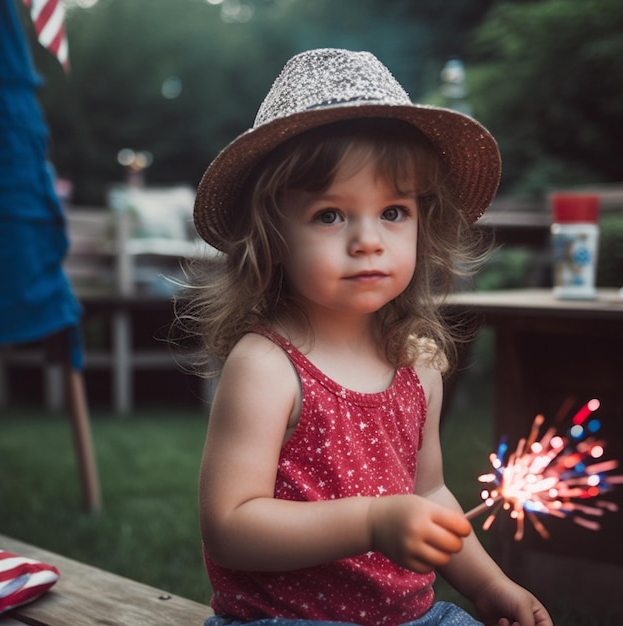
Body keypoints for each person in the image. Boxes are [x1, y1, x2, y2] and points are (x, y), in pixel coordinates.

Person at [182, 49, 552, 626]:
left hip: (412, 617)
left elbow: (428, 495)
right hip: (286, 620)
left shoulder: (417, 362)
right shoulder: (266, 365)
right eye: (330, 215)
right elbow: (230, 527)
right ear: (272, 236)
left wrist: (490, 586)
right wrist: (373, 522)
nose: (368, 241)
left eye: (394, 212)